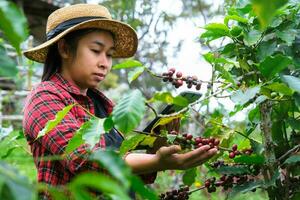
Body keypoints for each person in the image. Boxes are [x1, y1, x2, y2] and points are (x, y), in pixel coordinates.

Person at [22, 3, 218, 199]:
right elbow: (85, 160)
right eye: (95, 50)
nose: (104, 63)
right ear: (64, 49)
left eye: (109, 54)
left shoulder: (105, 106)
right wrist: (157, 161)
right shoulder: (44, 97)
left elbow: (121, 176)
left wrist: (155, 149)